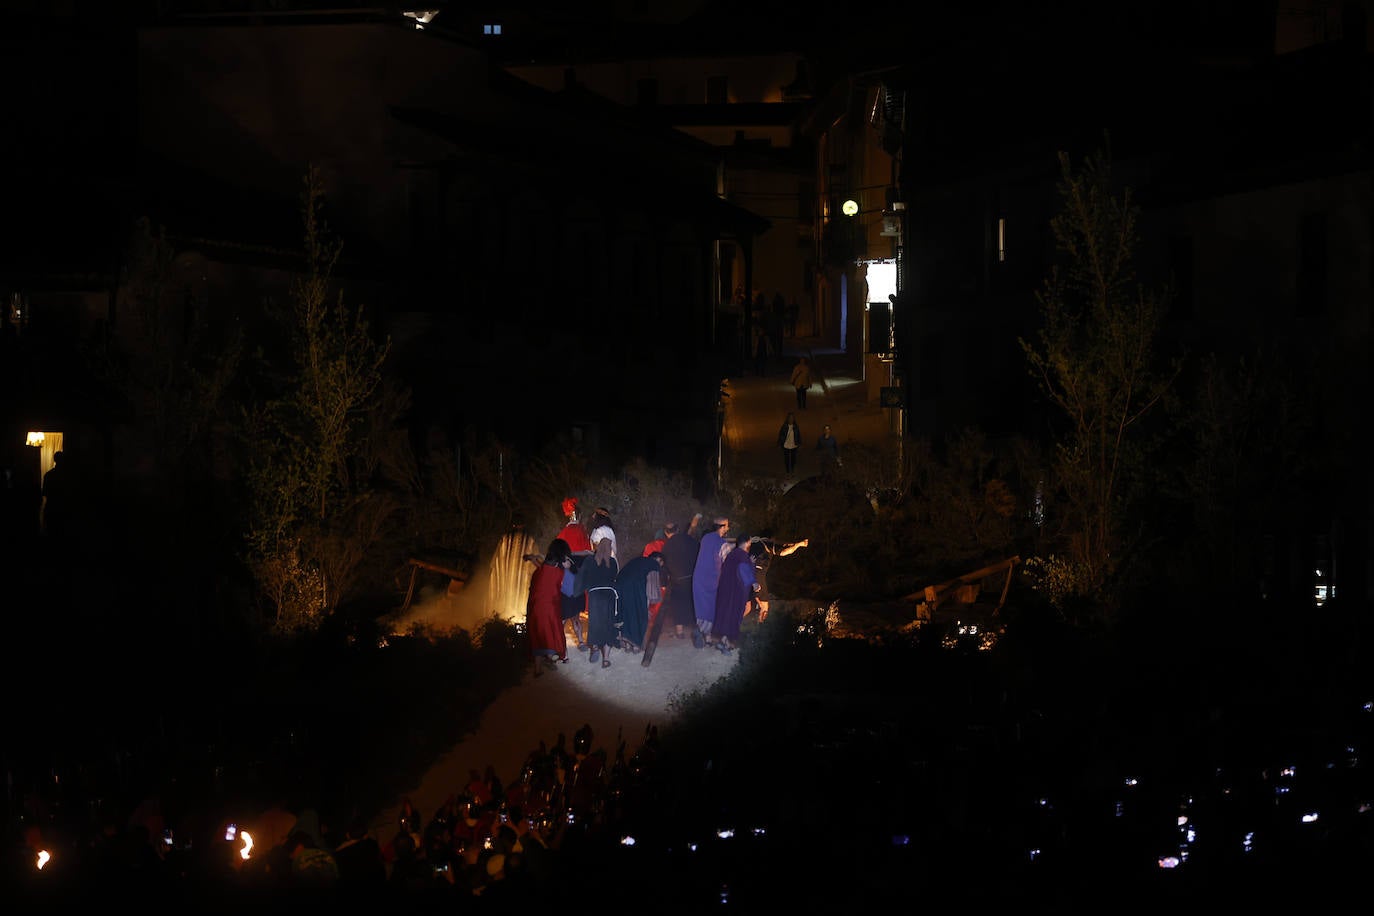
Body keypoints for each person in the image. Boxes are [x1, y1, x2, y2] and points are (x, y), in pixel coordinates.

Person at [526, 537, 572, 675]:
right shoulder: (559, 572)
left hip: (535, 608)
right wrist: (568, 568)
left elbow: (541, 564)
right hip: (550, 608)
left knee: (537, 635)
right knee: (552, 633)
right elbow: (568, 589)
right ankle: (552, 659)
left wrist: (532, 558)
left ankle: (538, 669)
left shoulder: (539, 571)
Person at [573, 533, 619, 667]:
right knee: (608, 624)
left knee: (595, 623)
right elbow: (614, 577)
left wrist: (578, 591)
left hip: (595, 596)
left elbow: (582, 576)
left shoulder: (589, 560)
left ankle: (594, 648)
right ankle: (606, 659)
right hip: (609, 595)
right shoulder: (613, 562)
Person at [712, 531, 761, 655]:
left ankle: (723, 640)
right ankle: (726, 645)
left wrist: (751, 563)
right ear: (747, 542)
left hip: (725, 590)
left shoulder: (731, 554)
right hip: (736, 592)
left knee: (725, 614)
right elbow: (744, 571)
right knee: (734, 615)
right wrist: (754, 583)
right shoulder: (743, 556)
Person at [556, 499, 592, 650]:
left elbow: (556, 553)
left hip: (565, 581)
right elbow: (588, 552)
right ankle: (581, 642)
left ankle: (556, 643)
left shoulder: (563, 533)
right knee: (574, 614)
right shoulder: (582, 531)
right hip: (578, 580)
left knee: (564, 615)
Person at [691, 516, 730, 648]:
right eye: (727, 525)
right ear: (723, 527)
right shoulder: (722, 543)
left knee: (702, 607)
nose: (728, 528)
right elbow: (727, 563)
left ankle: (706, 637)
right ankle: (704, 633)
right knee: (711, 608)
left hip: (698, 578)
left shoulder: (705, 538)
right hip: (712, 580)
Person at [614, 550, 662, 654]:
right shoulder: (654, 564)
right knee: (638, 614)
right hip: (635, 587)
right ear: (659, 561)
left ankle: (627, 645)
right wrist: (649, 603)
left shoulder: (637, 560)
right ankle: (636, 646)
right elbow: (652, 587)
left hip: (620, 586)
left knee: (626, 613)